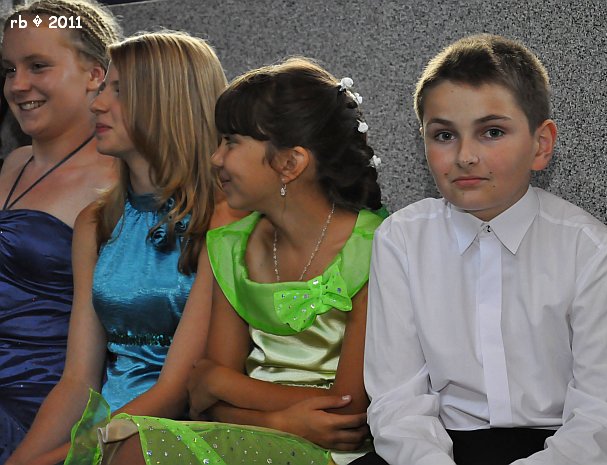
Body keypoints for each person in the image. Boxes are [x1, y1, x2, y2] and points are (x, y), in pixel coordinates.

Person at [362, 34, 607, 465]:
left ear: (541, 145)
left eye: (492, 132)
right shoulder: (400, 239)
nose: (465, 156)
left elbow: (604, 418)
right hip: (437, 446)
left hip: (561, 447)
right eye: (444, 135)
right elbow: (398, 402)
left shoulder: (588, 248)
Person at [96, 57, 385, 465]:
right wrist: (279, 421)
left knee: (137, 452)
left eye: (231, 142)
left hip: (338, 455)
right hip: (264, 433)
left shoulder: (374, 246)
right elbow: (202, 403)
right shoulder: (231, 246)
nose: (215, 158)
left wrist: (222, 382)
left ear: (290, 163)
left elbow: (346, 410)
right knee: (127, 443)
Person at [7, 31, 243, 465]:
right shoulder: (96, 222)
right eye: (101, 89)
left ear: (166, 102)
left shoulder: (223, 220)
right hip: (105, 428)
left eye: (117, 91)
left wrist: (61, 458)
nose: (96, 104)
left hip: (176, 435)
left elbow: (174, 391)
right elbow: (77, 382)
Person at [0, 1, 120, 460]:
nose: (18, 85)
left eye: (38, 66)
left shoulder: (117, 181)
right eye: (9, 69)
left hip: (41, 409)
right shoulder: (13, 164)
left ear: (94, 74)